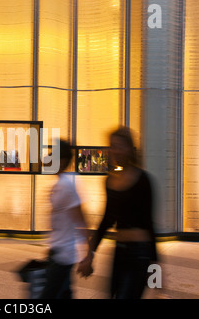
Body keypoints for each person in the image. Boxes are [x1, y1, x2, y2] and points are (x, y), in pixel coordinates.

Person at [77, 126, 158, 299]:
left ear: (130, 149)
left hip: (140, 254)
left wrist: (156, 268)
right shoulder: (109, 180)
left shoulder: (144, 180)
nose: (115, 150)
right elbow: (107, 220)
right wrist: (90, 255)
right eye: (112, 145)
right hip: (119, 252)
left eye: (120, 146)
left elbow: (150, 224)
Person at [40, 139, 90, 299]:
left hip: (64, 255)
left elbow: (81, 220)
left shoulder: (67, 184)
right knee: (64, 295)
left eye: (52, 156)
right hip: (58, 251)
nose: (48, 159)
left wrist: (87, 256)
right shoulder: (63, 182)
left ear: (61, 161)